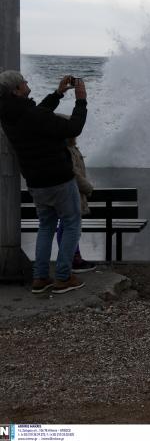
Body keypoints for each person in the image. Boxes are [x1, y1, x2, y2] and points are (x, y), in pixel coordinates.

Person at [0, 70, 88, 294]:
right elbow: (73, 128)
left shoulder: (10, 114)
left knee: (46, 226)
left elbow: (38, 115)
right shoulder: (30, 114)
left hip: (36, 181)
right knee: (71, 223)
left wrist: (58, 93)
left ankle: (40, 277)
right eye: (23, 82)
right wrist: (81, 101)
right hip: (58, 178)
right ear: (16, 90)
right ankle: (63, 277)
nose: (27, 82)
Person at [55, 114, 95, 273]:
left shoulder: (65, 148)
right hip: (72, 194)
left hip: (66, 194)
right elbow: (74, 174)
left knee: (67, 227)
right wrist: (88, 188)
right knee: (70, 227)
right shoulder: (67, 150)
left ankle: (71, 257)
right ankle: (72, 259)